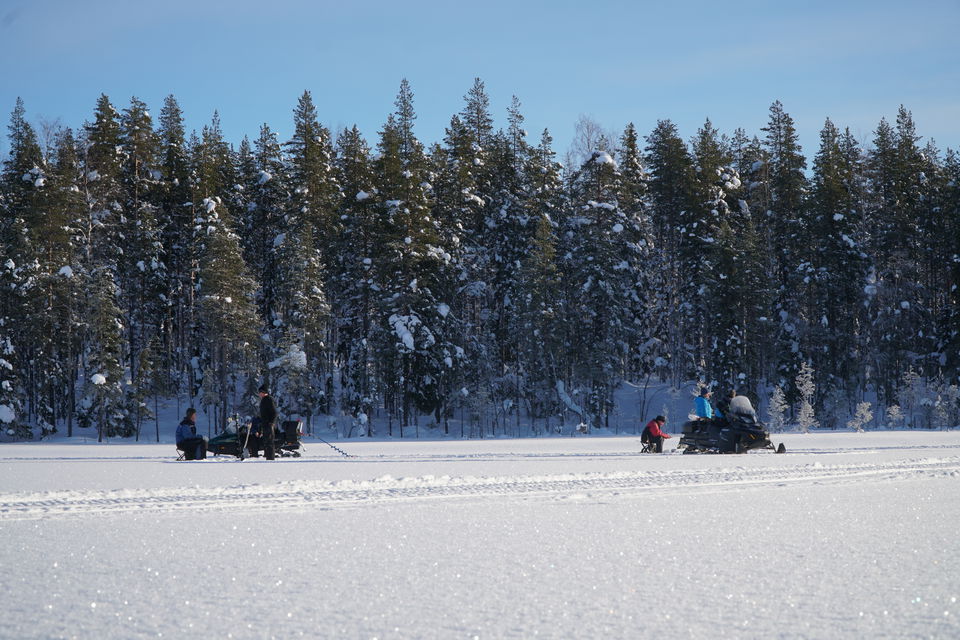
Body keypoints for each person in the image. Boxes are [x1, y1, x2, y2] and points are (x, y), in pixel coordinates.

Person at [258, 384, 277, 460]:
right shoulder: (264, 400)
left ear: (263, 392)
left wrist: (271, 422)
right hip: (265, 424)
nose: (259, 394)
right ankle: (268, 457)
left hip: (269, 424)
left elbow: (274, 412)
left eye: (260, 392)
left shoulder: (268, 399)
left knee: (269, 442)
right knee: (266, 441)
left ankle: (270, 458)